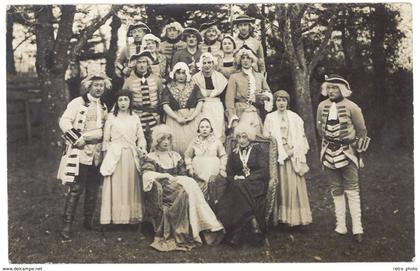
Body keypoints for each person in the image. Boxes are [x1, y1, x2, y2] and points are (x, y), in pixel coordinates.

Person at [142, 125, 224, 251]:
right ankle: (208, 225)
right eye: (162, 139)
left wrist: (180, 178)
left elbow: (183, 174)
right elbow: (147, 174)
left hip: (179, 185)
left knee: (188, 188)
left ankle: (202, 228)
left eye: (168, 139)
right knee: (188, 189)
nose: (166, 142)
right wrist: (165, 175)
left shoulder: (175, 156)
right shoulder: (152, 157)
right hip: (164, 189)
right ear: (157, 141)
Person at [57, 72, 111, 240]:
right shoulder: (77, 102)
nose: (98, 88)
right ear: (89, 86)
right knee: (76, 189)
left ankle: (88, 221)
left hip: (96, 153)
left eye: (101, 85)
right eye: (95, 85)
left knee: (93, 188)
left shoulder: (103, 106)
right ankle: (66, 224)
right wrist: (76, 138)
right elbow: (64, 121)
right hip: (80, 151)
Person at [316, 74, 369, 243]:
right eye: (329, 88)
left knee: (352, 189)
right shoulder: (321, 106)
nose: (331, 91)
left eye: (334, 88)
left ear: (342, 89)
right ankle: (341, 225)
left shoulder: (353, 107)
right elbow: (319, 129)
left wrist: (359, 153)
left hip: (348, 153)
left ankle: (357, 228)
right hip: (328, 152)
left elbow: (362, 132)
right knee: (336, 188)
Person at [214, 122, 269, 247]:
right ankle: (251, 222)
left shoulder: (257, 149)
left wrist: (246, 177)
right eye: (239, 137)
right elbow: (229, 172)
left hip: (255, 184)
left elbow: (263, 170)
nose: (241, 140)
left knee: (238, 186)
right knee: (237, 185)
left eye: (244, 137)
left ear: (249, 137)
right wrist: (234, 177)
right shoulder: (234, 153)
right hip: (238, 185)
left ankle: (235, 234)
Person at [263, 90, 312, 227]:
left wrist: (291, 151)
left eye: (284, 100)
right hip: (278, 157)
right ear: (275, 102)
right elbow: (267, 139)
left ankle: (297, 219)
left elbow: (301, 138)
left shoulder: (295, 117)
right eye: (278, 100)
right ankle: (282, 218)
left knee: (294, 186)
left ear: (287, 102)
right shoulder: (270, 118)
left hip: (292, 156)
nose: (281, 103)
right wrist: (279, 152)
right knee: (281, 186)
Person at [99, 90, 147, 225]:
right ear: (116, 102)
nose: (123, 103)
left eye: (126, 99)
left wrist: (142, 148)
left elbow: (141, 137)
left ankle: (131, 217)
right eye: (120, 100)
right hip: (115, 155)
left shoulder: (135, 117)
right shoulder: (111, 118)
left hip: (131, 155)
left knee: (130, 184)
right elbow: (106, 139)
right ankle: (115, 217)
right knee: (117, 186)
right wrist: (105, 156)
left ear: (130, 101)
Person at [123, 50, 164, 151]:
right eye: (139, 62)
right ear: (135, 64)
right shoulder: (129, 81)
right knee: (139, 145)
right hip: (137, 117)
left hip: (155, 118)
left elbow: (162, 98)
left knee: (156, 143)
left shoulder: (156, 79)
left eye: (144, 62)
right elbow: (124, 99)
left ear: (148, 64)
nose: (142, 65)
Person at [225, 46, 272, 133]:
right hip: (240, 111)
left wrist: (263, 97)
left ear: (252, 60)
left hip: (256, 112)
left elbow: (268, 93)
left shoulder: (259, 76)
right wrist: (232, 116)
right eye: (243, 58)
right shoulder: (234, 77)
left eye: (248, 58)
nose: (245, 60)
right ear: (240, 60)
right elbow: (229, 100)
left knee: (256, 136)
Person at [161, 62, 204, 155]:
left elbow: (200, 102)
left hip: (191, 119)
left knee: (192, 143)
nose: (181, 75)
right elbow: (165, 106)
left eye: (183, 73)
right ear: (174, 74)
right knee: (175, 143)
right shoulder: (168, 88)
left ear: (187, 74)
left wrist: (192, 117)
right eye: (178, 73)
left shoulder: (193, 86)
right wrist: (177, 118)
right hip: (174, 120)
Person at [184, 118, 227, 201]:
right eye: (202, 127)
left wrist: (222, 168)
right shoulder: (194, 141)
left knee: (212, 186)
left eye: (207, 127)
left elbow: (223, 155)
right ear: (199, 129)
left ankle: (213, 202)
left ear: (211, 129)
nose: (204, 129)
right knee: (201, 189)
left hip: (213, 168)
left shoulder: (216, 141)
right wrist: (189, 167)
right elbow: (187, 155)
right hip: (199, 168)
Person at [191, 52, 228, 142]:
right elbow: (195, 94)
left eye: (209, 62)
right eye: (204, 63)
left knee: (217, 130)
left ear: (213, 63)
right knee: (203, 129)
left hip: (217, 107)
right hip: (202, 106)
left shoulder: (220, 78)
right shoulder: (195, 78)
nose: (207, 65)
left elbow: (223, 96)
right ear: (201, 65)